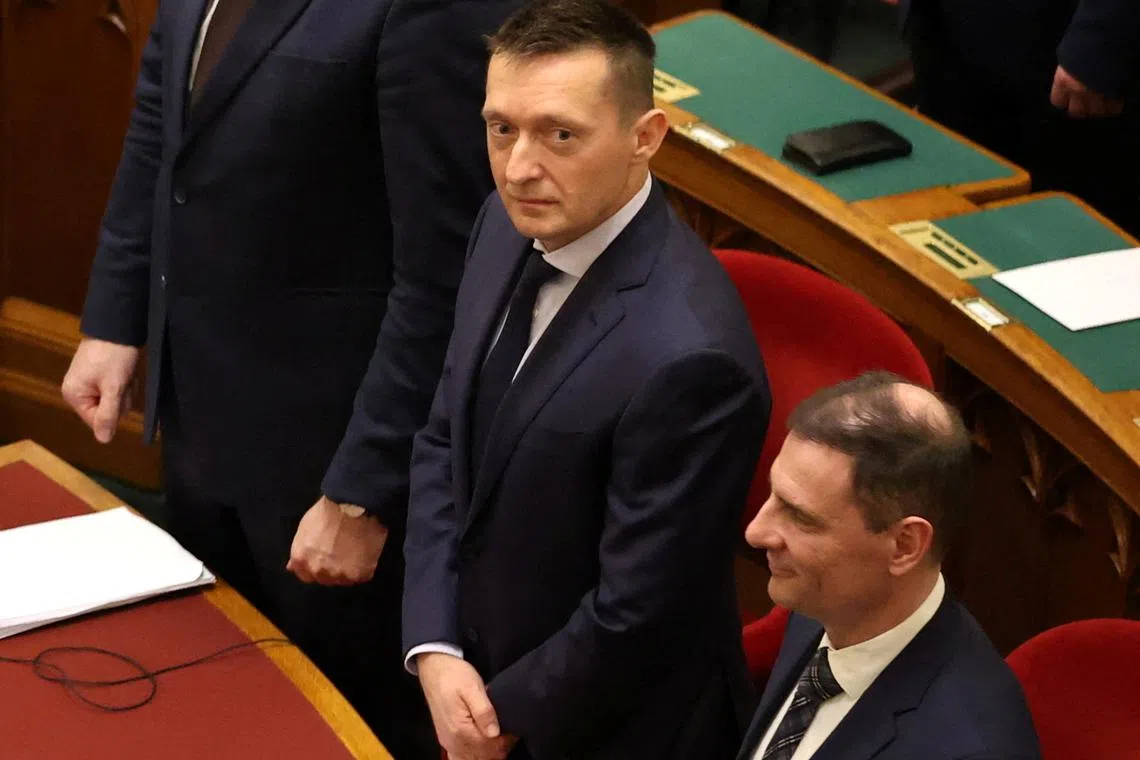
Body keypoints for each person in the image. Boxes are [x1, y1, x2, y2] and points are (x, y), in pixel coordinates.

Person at [59, 0, 521, 755]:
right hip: (202, 413)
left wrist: (364, 490)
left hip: (328, 457)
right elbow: (162, 130)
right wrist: (116, 317)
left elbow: (445, 274)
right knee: (225, 693)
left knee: (340, 723)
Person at [401, 1, 772, 757]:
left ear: (647, 139)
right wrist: (433, 646)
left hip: (599, 729)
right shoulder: (504, 225)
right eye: (501, 127)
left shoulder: (693, 359)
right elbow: (446, 439)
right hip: (466, 682)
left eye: (560, 134)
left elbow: (636, 614)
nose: (518, 166)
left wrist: (496, 719)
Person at [737, 372, 1041, 760]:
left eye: (800, 517)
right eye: (773, 495)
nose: (756, 532)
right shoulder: (828, 601)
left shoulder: (969, 747)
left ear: (904, 545)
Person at [901, 0, 1140, 235]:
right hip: (948, 38)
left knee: (1076, 239)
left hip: (1062, 51)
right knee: (957, 229)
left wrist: (1103, 36)